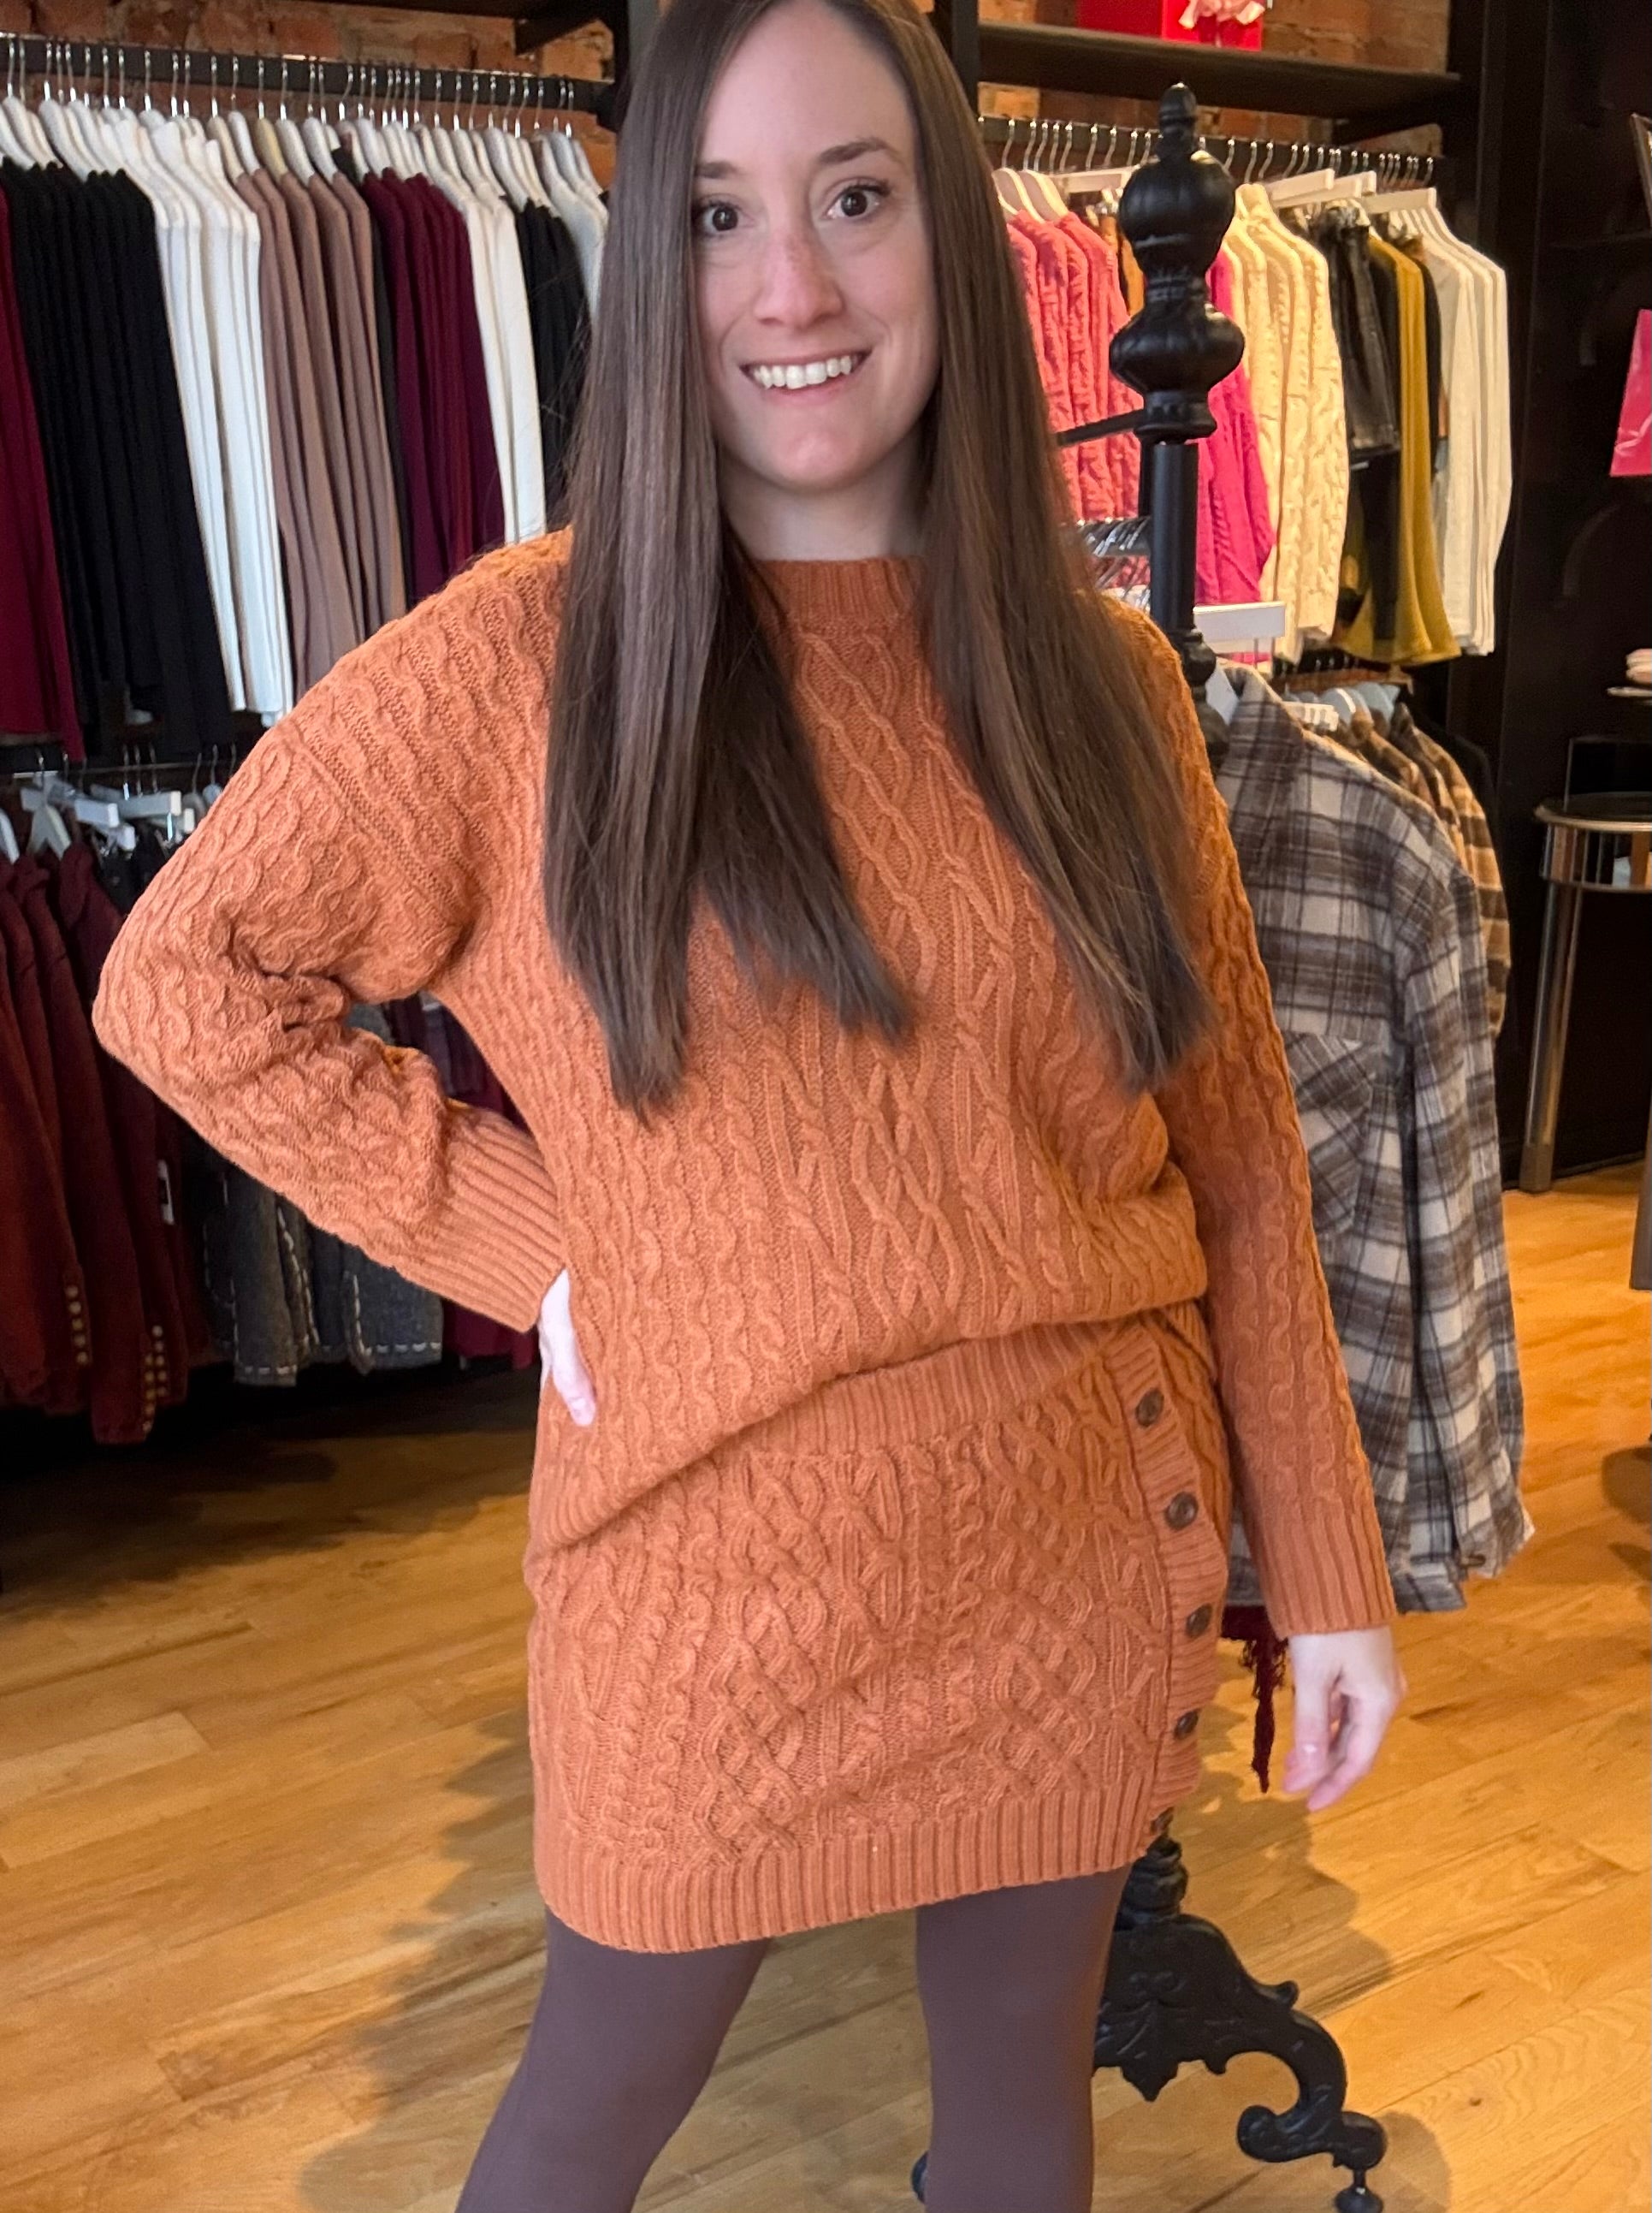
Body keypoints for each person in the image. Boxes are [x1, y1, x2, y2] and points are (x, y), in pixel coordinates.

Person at [93, 0, 1407, 2205]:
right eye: (714, 217)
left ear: (952, 235)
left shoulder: (1097, 680)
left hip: (1078, 1548)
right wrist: (535, 1243)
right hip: (708, 1590)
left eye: (855, 198)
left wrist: (1333, 1568)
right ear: (647, 269)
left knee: (1022, 2130)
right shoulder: (521, 664)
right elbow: (187, 982)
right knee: (578, 2131)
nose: (790, 287)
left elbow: (1241, 1157)